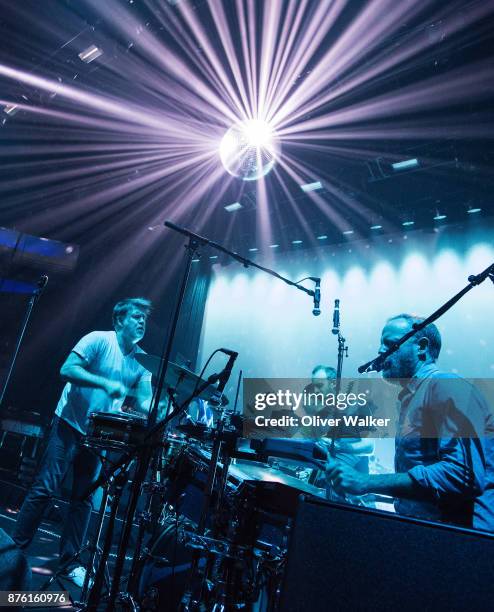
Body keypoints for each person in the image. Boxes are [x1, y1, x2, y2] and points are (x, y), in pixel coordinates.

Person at [13, 297, 153, 586]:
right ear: (119, 321)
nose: (142, 321)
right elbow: (67, 369)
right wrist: (102, 382)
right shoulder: (99, 340)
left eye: (145, 318)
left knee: (84, 499)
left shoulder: (142, 361)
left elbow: (143, 399)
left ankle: (69, 563)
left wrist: (158, 406)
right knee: (45, 488)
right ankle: (13, 551)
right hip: (69, 423)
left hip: (98, 437)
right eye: (136, 316)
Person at [326, 314, 494, 531]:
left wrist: (365, 482)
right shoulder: (413, 396)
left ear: (421, 347)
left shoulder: (445, 386)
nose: (379, 352)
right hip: (428, 533)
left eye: (389, 344)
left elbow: (462, 475)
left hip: (460, 540)